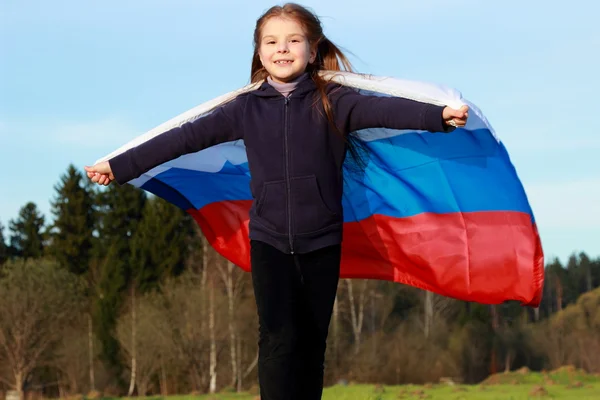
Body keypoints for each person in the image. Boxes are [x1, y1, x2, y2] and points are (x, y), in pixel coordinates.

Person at [85, 3, 468, 399]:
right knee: (277, 338)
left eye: (292, 40)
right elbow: (182, 138)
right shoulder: (244, 108)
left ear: (313, 49)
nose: (281, 49)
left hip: (322, 240)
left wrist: (439, 115)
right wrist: (119, 166)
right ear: (259, 50)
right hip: (268, 240)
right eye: (271, 41)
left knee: (311, 341)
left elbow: (387, 108)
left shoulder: (334, 101)